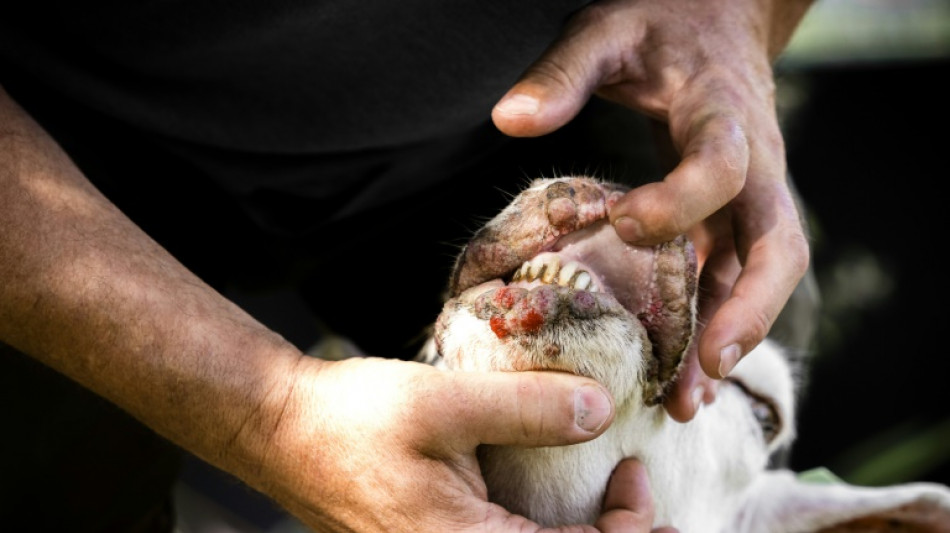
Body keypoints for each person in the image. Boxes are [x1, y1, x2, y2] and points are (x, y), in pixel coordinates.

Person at [0, 0, 812, 531]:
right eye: (745, 401)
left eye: (751, 398)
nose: (699, 381)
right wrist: (270, 409)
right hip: (44, 134)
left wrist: (735, 17)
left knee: (776, 288)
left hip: (504, 105)